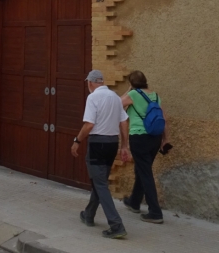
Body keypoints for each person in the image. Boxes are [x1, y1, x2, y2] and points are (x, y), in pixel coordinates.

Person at [71, 69, 130, 239]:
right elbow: (124, 121)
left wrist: (77, 140)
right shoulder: (115, 97)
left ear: (90, 83)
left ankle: (117, 225)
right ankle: (88, 215)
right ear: (102, 81)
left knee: (101, 184)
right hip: (112, 143)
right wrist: (124, 145)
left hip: (97, 143)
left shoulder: (93, 97)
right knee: (100, 180)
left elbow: (89, 125)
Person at [120, 70, 169, 224]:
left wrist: (129, 90)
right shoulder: (155, 95)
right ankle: (134, 202)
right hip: (155, 137)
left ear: (132, 83)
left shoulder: (134, 95)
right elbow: (163, 118)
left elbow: (117, 104)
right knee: (143, 168)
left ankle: (155, 212)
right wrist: (165, 139)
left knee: (145, 172)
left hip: (139, 137)